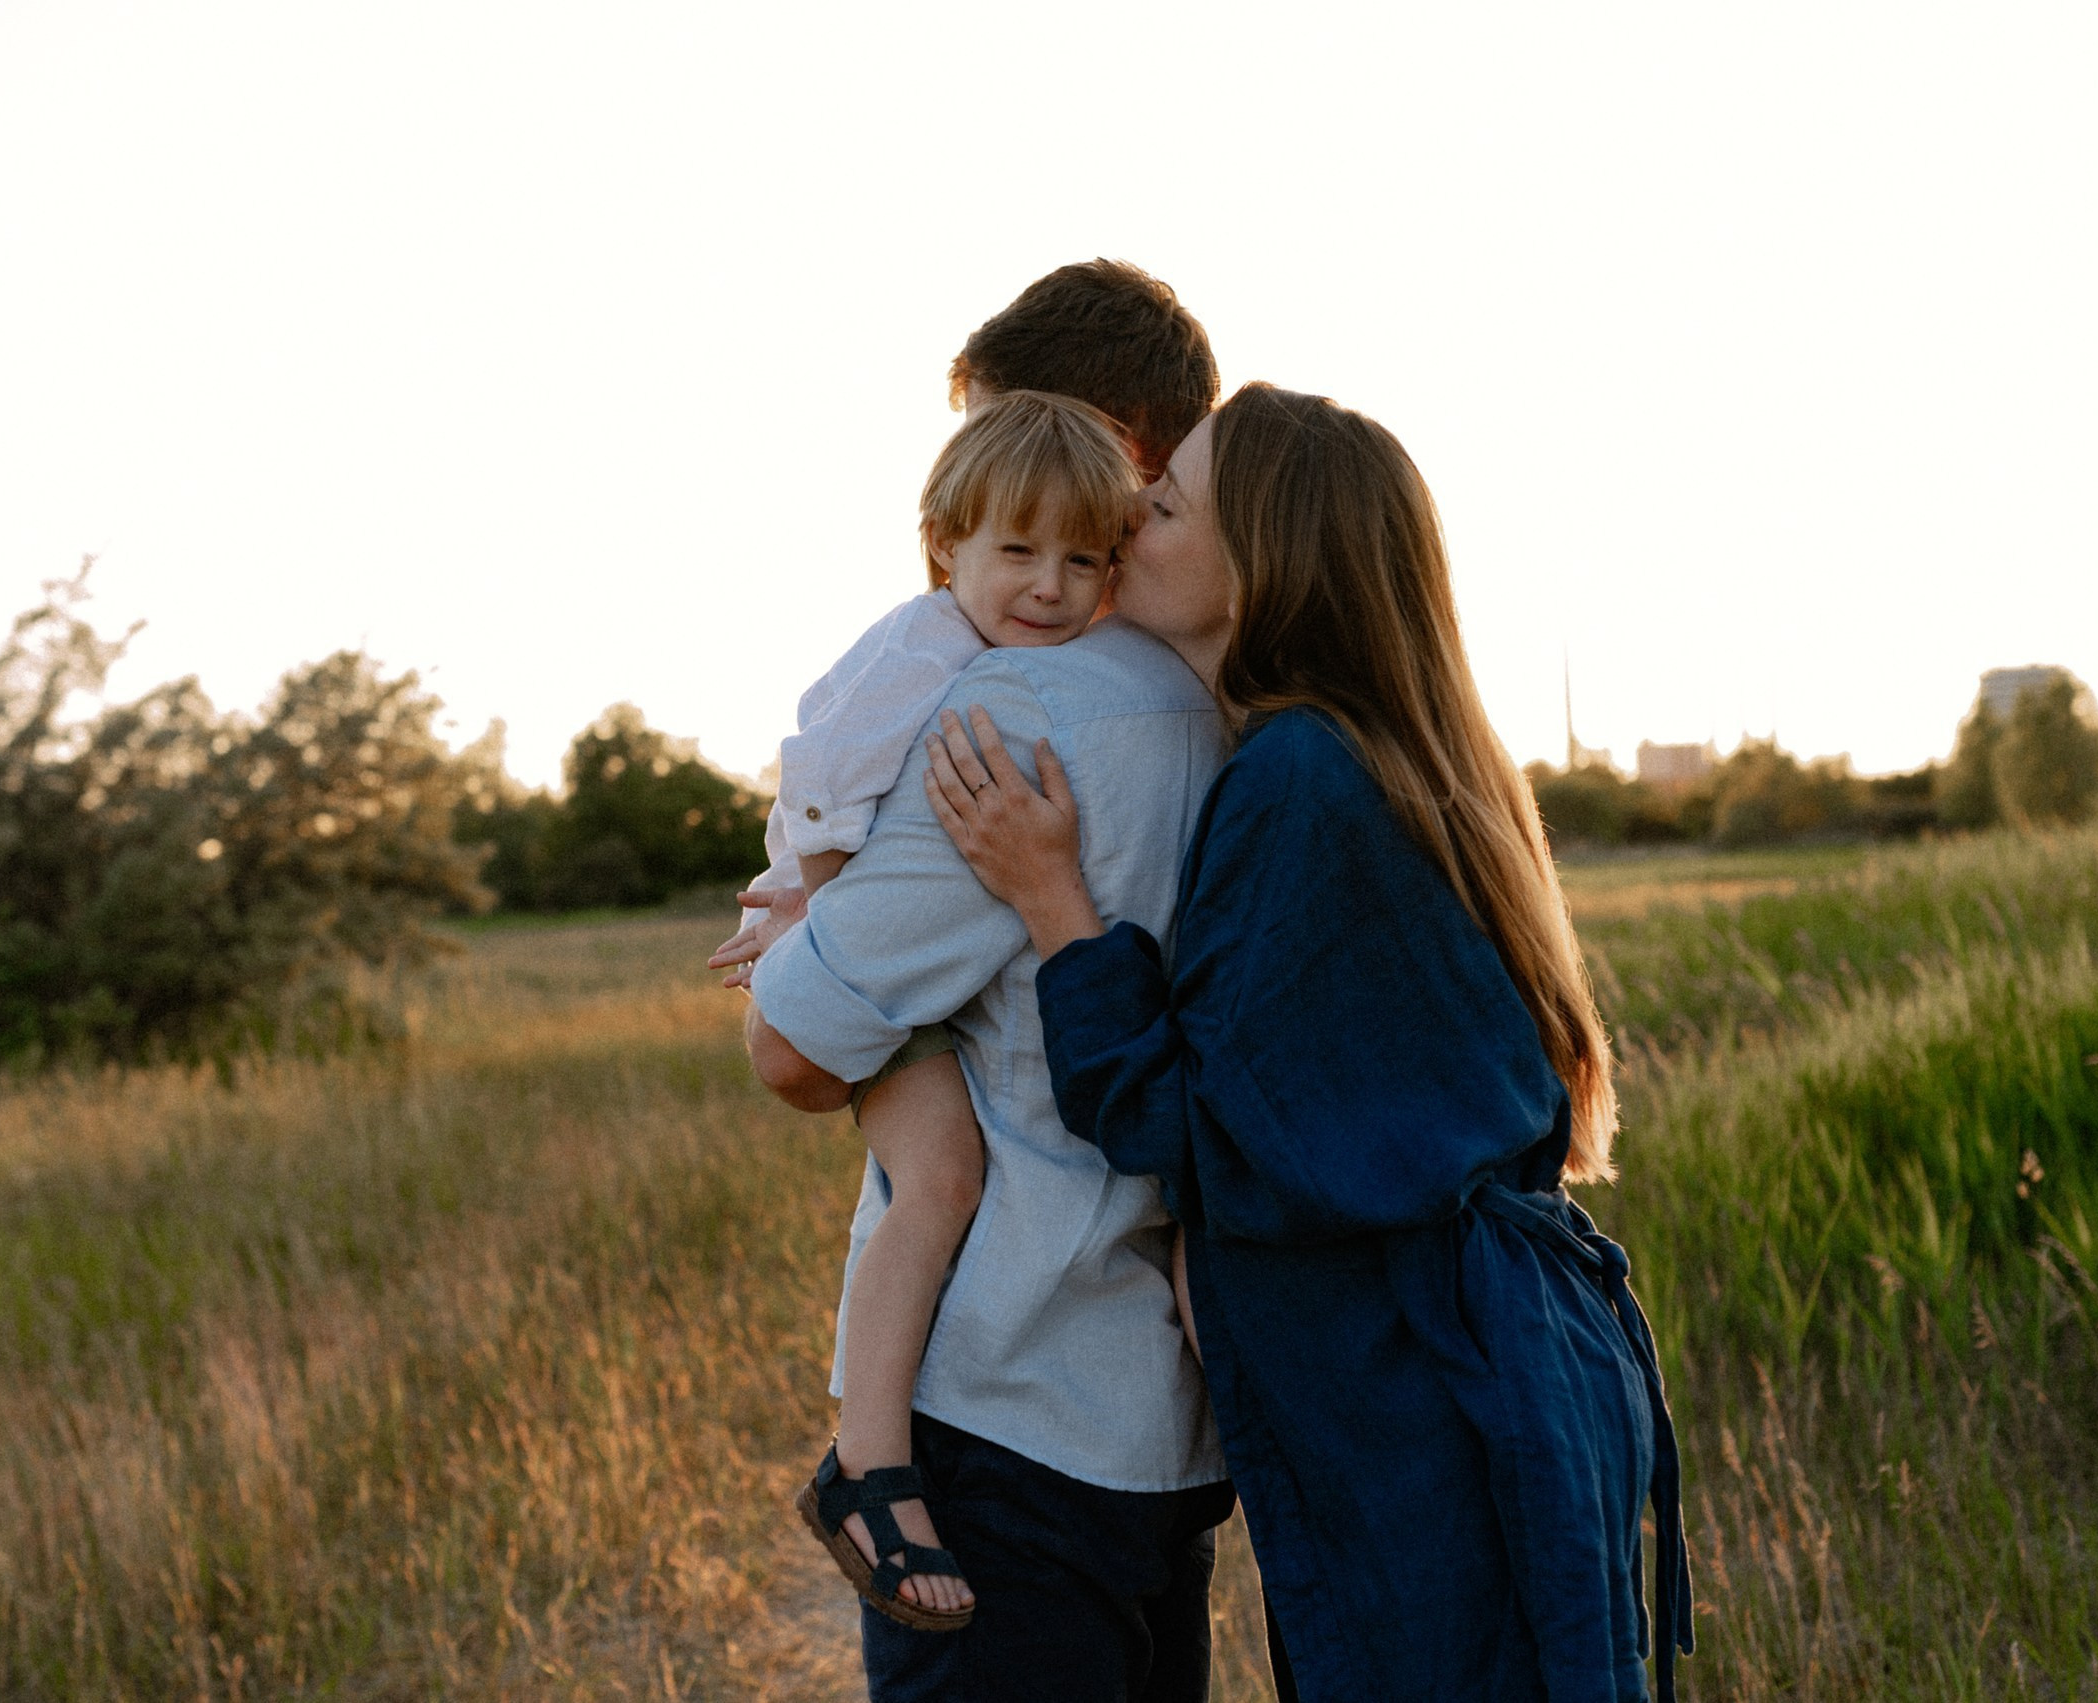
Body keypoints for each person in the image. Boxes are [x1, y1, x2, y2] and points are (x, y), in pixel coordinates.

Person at [921, 383, 1694, 1703]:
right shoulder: (1373, 754)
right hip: (1477, 1366)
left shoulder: (1299, 778)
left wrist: (1056, 907)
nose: (1126, 522)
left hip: (1419, 1398)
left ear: (1261, 560)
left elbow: (1198, 1131)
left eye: (1163, 506)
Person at [742, 260, 1238, 1702]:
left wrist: (782, 927)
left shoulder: (1017, 708)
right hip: (1165, 1417)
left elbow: (797, 1047)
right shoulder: (1245, 707)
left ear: (1111, 453)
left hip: (1011, 1416)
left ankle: (866, 1460)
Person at [709, 388, 1143, 1628]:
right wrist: (812, 925)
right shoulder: (927, 654)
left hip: (894, 972)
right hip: (859, 954)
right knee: (942, 1175)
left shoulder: (1009, 659)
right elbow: (822, 784)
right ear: (945, 542)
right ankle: (871, 1464)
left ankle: (872, 1454)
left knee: (946, 1173)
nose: (1052, 585)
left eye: (1083, 559)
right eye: (1018, 550)